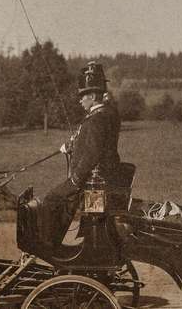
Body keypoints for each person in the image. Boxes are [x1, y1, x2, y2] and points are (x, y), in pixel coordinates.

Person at [40, 61, 121, 249]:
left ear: (92, 96)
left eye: (83, 96)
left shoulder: (96, 119)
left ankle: (49, 247)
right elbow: (93, 142)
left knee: (51, 200)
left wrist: (75, 181)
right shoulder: (106, 114)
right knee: (71, 205)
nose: (80, 100)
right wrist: (72, 145)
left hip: (93, 183)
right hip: (100, 180)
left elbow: (92, 153)